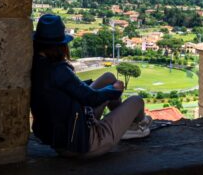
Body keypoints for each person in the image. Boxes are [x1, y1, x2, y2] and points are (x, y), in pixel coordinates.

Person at [30, 13, 151, 158]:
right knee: (136, 100)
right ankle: (137, 126)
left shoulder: (38, 65)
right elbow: (90, 98)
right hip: (85, 144)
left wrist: (105, 87)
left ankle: (127, 126)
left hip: (62, 138)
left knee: (108, 77)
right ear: (61, 46)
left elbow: (69, 89)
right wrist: (114, 90)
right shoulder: (59, 70)